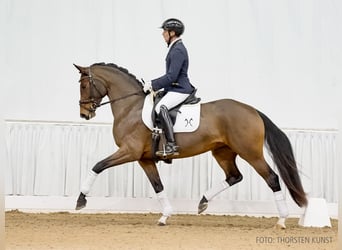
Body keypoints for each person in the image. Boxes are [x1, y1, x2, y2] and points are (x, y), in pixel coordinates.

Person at [144, 18, 195, 157]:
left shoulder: (178, 49)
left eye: (164, 31)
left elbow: (172, 76)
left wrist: (153, 84)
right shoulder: (175, 47)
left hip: (181, 89)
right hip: (174, 88)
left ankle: (171, 145)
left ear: (172, 33)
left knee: (160, 107)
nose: (163, 34)